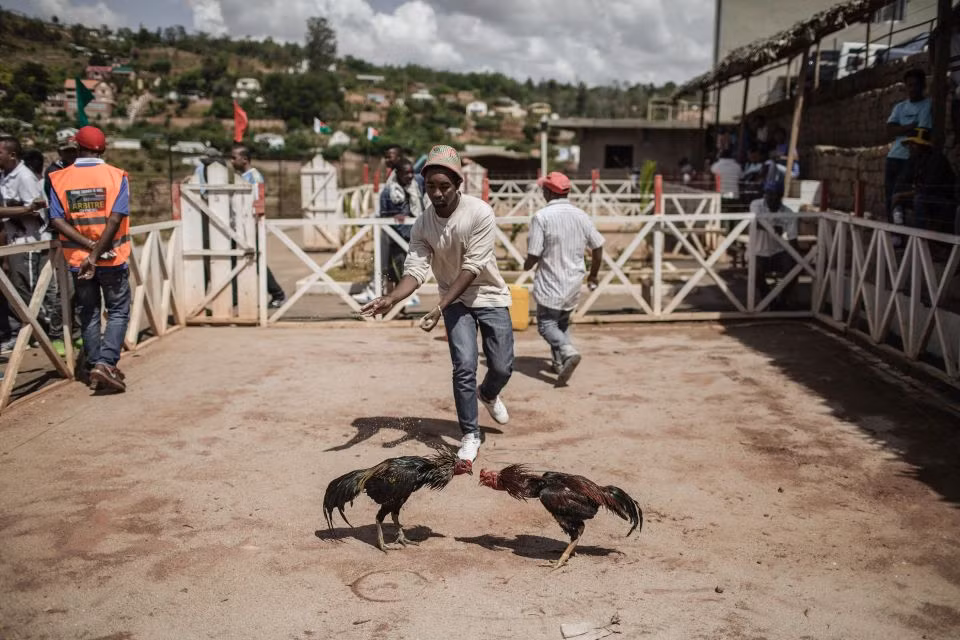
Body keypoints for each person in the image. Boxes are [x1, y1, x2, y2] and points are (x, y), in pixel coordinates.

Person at [360, 145, 514, 463]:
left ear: (458, 184)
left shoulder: (479, 213)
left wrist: (440, 304)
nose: (437, 193)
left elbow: (473, 267)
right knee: (463, 368)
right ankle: (470, 435)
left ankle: (488, 392)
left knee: (501, 365)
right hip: (453, 302)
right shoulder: (422, 225)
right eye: (431, 186)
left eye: (444, 186)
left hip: (489, 296)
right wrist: (391, 298)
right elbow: (415, 271)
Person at [47, 126, 131, 392]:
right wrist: (96, 254)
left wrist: (87, 250)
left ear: (76, 148)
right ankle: (105, 363)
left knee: (89, 311)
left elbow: (56, 219)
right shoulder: (116, 176)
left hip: (77, 259)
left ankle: (95, 363)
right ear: (103, 149)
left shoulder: (59, 178)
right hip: (111, 257)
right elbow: (115, 219)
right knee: (117, 310)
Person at [523, 171, 604, 385]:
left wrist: (527, 265)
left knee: (547, 324)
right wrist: (593, 274)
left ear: (549, 192)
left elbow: (534, 253)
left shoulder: (542, 217)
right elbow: (598, 247)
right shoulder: (581, 215)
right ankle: (559, 363)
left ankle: (568, 353)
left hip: (551, 281)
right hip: (573, 282)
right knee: (562, 322)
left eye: (543, 189)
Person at [0, 135, 60, 354]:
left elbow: (36, 209)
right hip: (14, 241)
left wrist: (14, 210)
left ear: (12, 155)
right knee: (19, 290)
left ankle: (52, 332)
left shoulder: (24, 177)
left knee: (34, 292)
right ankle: (37, 333)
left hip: (31, 243)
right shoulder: (4, 176)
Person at [229, 145, 286, 309]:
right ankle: (234, 298)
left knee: (256, 261)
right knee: (233, 261)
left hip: (249, 228)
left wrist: (252, 228)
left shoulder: (253, 178)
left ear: (245, 159)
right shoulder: (242, 178)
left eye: (234, 158)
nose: (231, 161)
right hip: (238, 228)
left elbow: (256, 205)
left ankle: (277, 294)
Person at [885, 69, 932, 220]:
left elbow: (921, 131)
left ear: (923, 85)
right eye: (909, 85)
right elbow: (889, 129)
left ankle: (900, 233)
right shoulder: (900, 107)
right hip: (893, 156)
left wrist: (901, 128)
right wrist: (909, 127)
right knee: (889, 195)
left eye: (915, 85)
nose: (912, 89)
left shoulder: (927, 105)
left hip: (910, 158)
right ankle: (892, 232)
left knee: (901, 197)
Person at [891, 127, 957, 233]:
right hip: (923, 196)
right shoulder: (914, 159)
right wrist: (899, 193)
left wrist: (904, 194)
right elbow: (902, 180)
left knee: (919, 199)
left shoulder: (937, 159)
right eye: (910, 144)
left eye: (914, 144)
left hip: (944, 202)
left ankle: (921, 239)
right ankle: (897, 235)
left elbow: (927, 189)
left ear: (923, 145)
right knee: (897, 194)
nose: (910, 147)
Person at [377, 158, 423, 305]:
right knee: (396, 273)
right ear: (397, 173)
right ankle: (395, 309)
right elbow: (383, 214)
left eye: (411, 172)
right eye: (406, 173)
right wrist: (393, 216)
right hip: (396, 238)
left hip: (416, 237)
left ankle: (400, 307)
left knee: (410, 271)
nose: (410, 176)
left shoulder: (418, 184)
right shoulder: (388, 192)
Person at [750, 171, 798, 310]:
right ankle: (768, 300)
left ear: (780, 196)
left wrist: (799, 260)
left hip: (778, 251)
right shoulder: (756, 205)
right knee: (755, 271)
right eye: (767, 193)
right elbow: (754, 222)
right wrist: (772, 227)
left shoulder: (789, 213)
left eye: (774, 194)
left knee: (794, 267)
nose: (770, 197)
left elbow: (793, 238)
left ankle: (782, 300)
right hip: (757, 251)